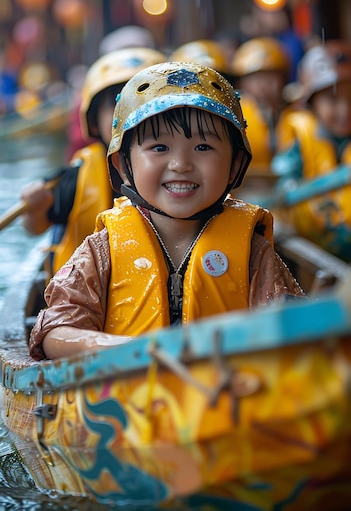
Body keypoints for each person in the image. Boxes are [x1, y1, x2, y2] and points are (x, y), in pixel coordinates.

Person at [29, 61, 304, 361]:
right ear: (123, 165)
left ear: (235, 164)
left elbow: (293, 333)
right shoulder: (101, 249)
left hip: (224, 397)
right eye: (159, 147)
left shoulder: (253, 251)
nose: (181, 164)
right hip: (125, 402)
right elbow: (54, 332)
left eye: (203, 147)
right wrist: (134, 350)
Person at [21, 46, 166, 275]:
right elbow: (35, 227)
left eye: (146, 102)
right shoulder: (78, 177)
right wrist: (34, 209)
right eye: (117, 104)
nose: (132, 115)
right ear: (95, 122)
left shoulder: (186, 168)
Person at [271, 39, 351, 262]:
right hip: (313, 246)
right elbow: (283, 185)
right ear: (312, 103)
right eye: (333, 99)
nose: (345, 110)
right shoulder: (299, 136)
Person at [231, 36, 293, 175]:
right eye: (255, 78)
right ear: (243, 82)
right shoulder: (236, 114)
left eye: (270, 76)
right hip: (248, 185)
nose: (263, 85)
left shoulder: (293, 114)